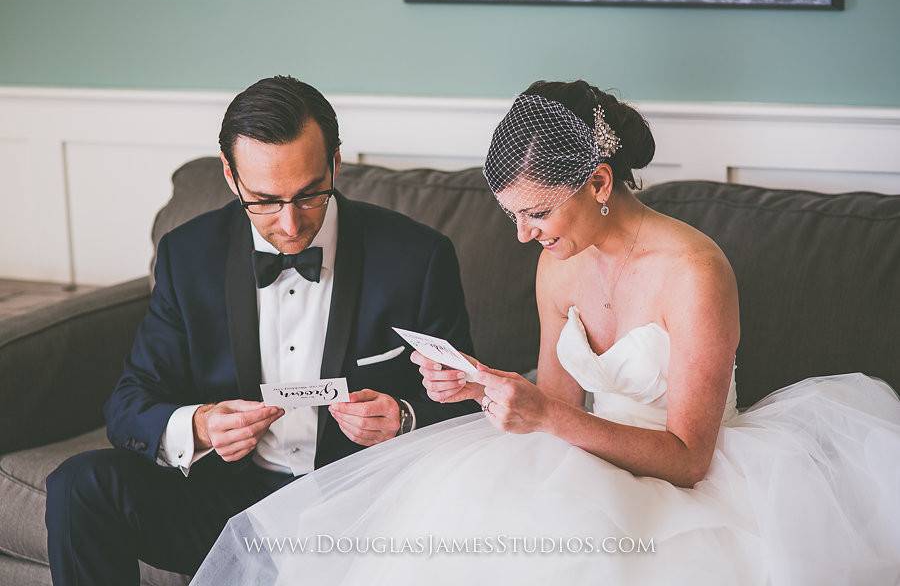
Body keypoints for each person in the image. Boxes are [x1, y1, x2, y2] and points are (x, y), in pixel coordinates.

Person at [191, 80, 900, 585]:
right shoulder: (558, 266)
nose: (525, 236)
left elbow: (688, 459)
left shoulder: (695, 272)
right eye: (512, 217)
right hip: (582, 457)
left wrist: (544, 414)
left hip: (691, 483)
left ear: (597, 183)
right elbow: (550, 398)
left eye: (537, 214)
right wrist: (479, 385)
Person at [44, 75, 479, 586]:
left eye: (310, 194)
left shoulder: (418, 257)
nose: (291, 224)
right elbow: (130, 402)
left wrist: (402, 420)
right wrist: (200, 426)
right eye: (265, 200)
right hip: (225, 505)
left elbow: (470, 406)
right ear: (231, 176)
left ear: (335, 164)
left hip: (361, 506)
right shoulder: (188, 255)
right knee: (79, 485)